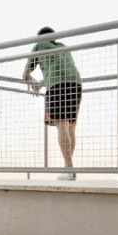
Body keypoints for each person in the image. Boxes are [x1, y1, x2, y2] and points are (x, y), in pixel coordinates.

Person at [23, 26, 82, 180]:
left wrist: (34, 82)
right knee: (70, 126)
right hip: (75, 84)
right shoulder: (63, 47)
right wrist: (42, 82)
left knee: (61, 124)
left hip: (57, 86)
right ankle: (68, 168)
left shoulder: (39, 45)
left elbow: (25, 74)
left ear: (40, 38)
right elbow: (57, 69)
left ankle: (69, 169)